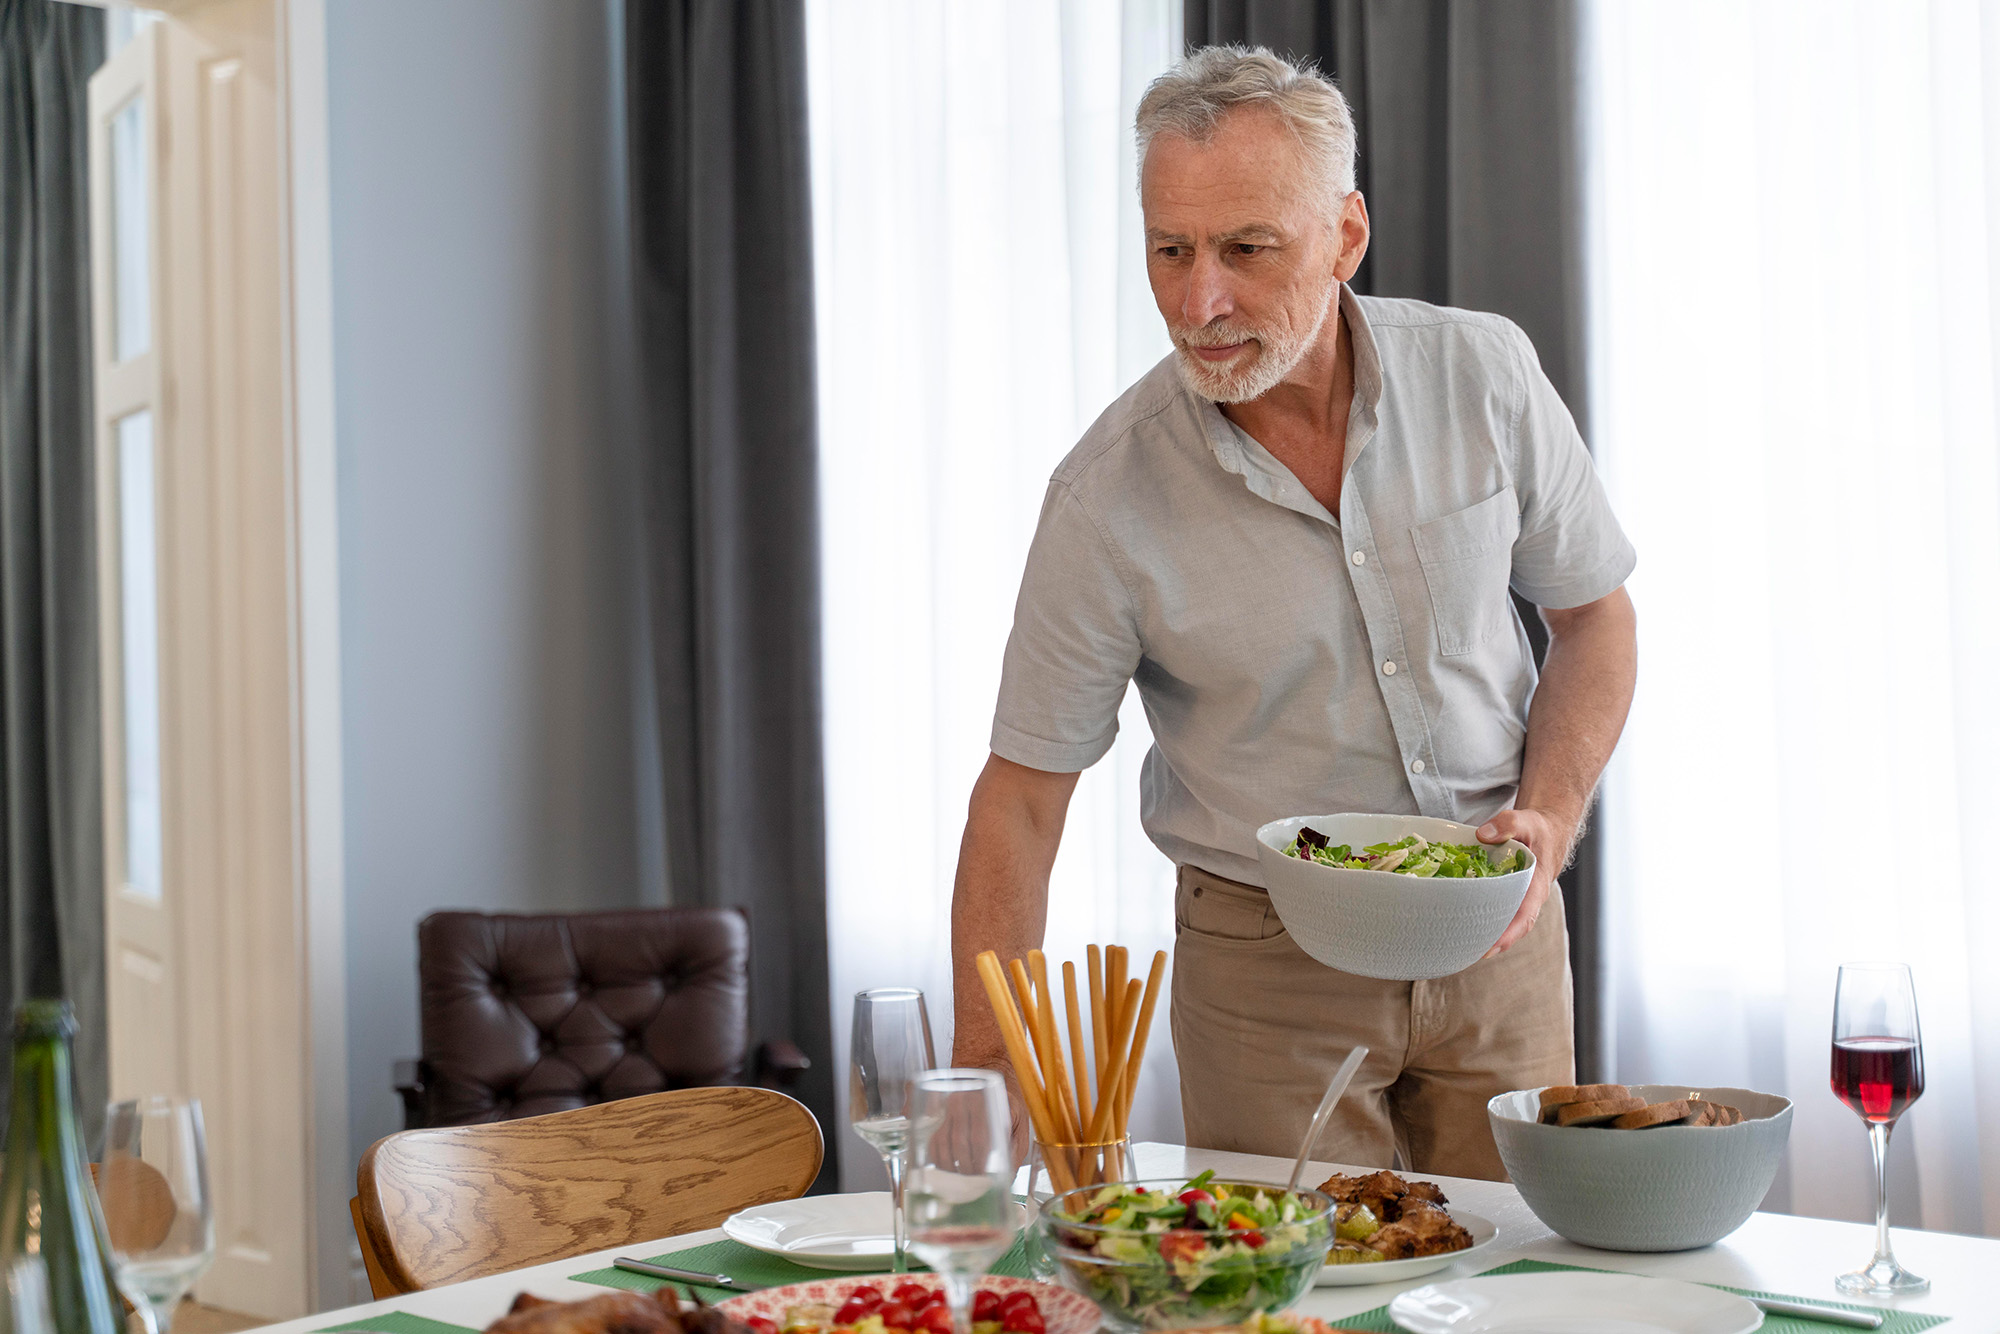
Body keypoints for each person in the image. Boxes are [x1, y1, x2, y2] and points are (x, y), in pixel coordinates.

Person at [947, 46, 1638, 1180]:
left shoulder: (1483, 374)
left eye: (1244, 250)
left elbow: (1594, 620)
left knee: (1522, 1286)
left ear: (1345, 237)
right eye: (1168, 249)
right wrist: (988, 1060)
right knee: (1290, 1294)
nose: (1196, 299)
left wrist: (1549, 813)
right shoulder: (1104, 495)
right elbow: (1021, 796)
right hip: (1265, 962)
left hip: (1496, 932)